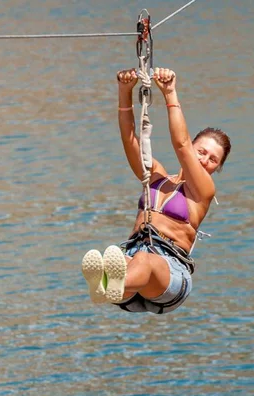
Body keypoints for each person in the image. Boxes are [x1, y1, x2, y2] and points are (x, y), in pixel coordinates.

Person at [81, 67, 231, 314]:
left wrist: (170, 93)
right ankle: (109, 282)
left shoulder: (204, 191)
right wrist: (124, 92)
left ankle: (109, 284)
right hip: (135, 262)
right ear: (194, 146)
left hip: (170, 274)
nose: (204, 160)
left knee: (144, 261)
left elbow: (181, 145)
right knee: (125, 258)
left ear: (217, 168)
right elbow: (129, 140)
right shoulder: (157, 177)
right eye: (201, 151)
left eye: (213, 159)